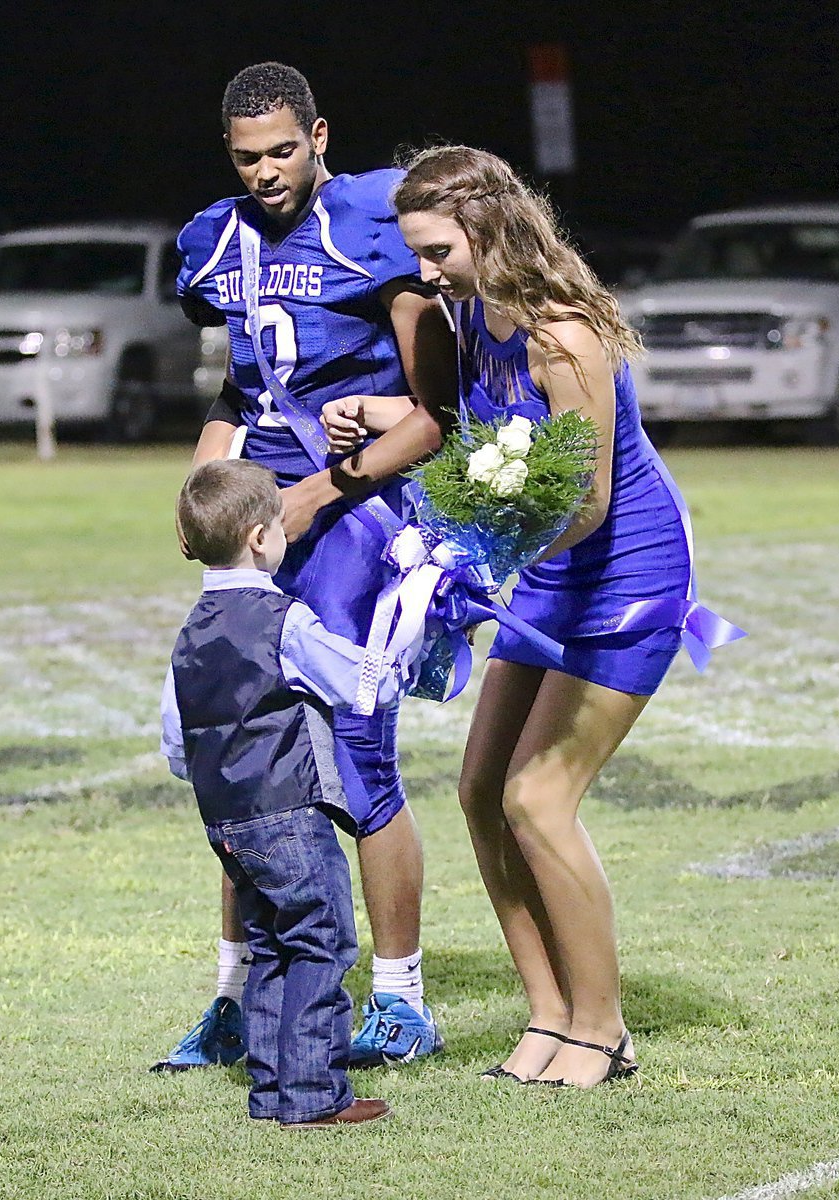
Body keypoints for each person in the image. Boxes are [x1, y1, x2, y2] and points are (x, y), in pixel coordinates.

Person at [379, 145, 722, 1088]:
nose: (425, 269)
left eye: (438, 248)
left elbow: (591, 500)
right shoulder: (467, 314)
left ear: (488, 230)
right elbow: (464, 437)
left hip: (622, 578)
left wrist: (472, 554)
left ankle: (602, 1032)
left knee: (538, 800)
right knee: (480, 793)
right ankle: (549, 1016)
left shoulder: (561, 334)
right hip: (542, 570)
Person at [153, 62, 455, 1073]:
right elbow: (240, 391)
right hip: (263, 527)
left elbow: (434, 415)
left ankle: (402, 1000)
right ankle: (238, 996)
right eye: (248, 157)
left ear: (319, 135)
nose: (267, 172)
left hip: (359, 516)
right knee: (237, 761)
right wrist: (208, 478)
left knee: (357, 755)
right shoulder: (216, 238)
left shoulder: (372, 225)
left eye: (283, 149)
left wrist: (313, 496)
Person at [160, 460, 428, 1126]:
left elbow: (174, 735)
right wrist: (413, 627)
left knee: (273, 944)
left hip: (224, 817)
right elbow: (362, 685)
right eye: (280, 525)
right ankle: (311, 1095)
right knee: (320, 941)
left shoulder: (191, 627)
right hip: (287, 808)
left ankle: (273, 1089)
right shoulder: (283, 620)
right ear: (259, 539)